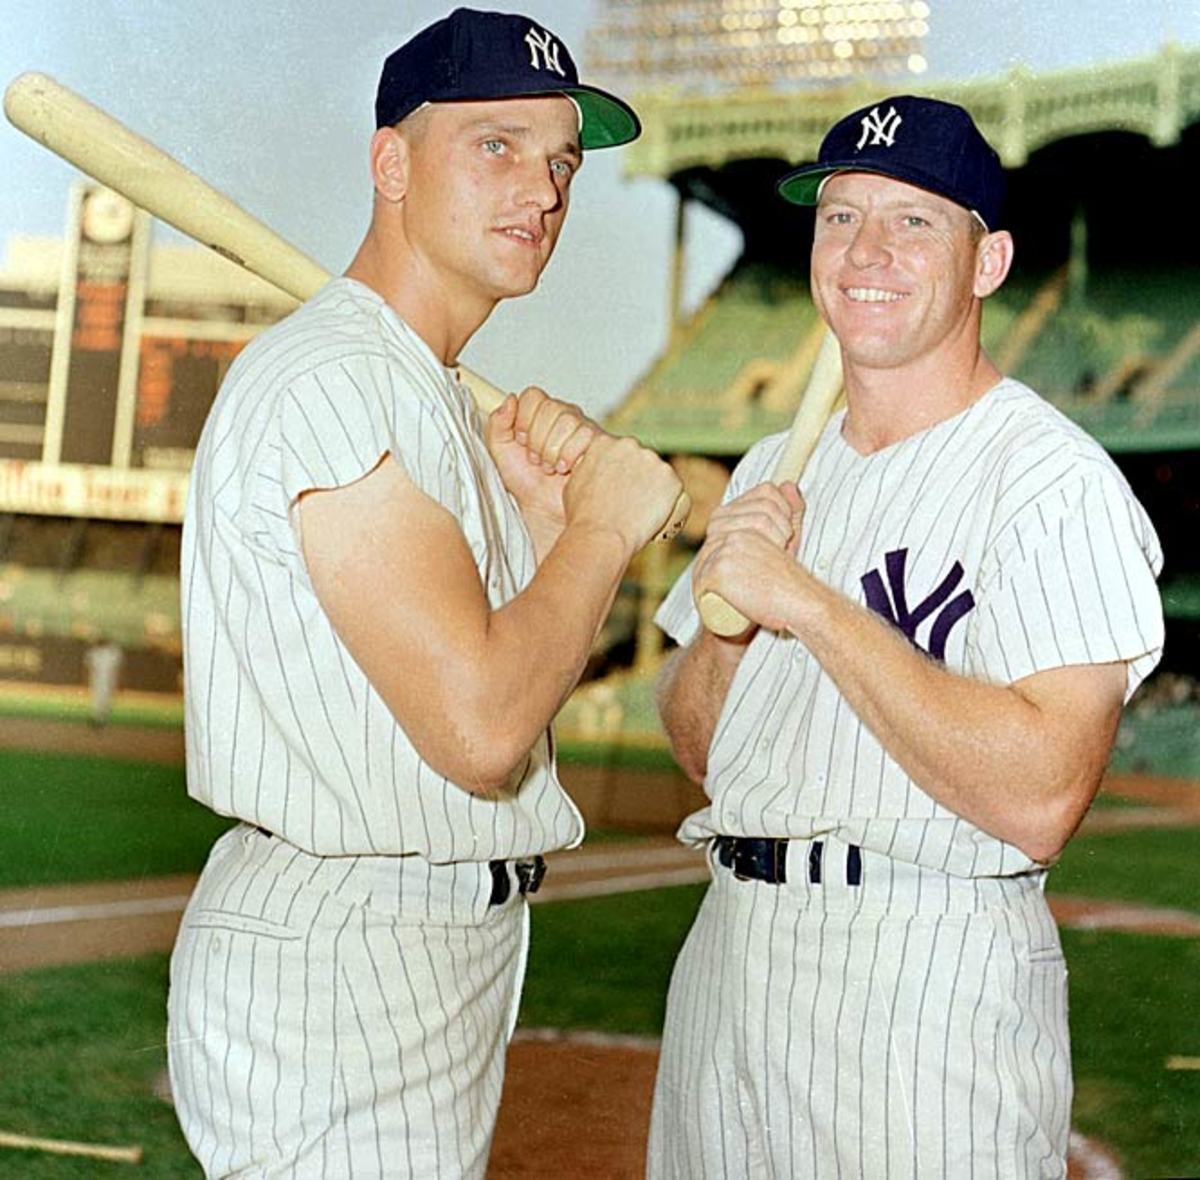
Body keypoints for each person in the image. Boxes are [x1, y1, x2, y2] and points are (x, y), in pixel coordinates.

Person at [166, 9, 683, 1178]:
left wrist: (546, 529)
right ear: (391, 162)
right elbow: (481, 725)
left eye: (562, 162)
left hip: (430, 937)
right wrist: (603, 526)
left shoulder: (425, 395)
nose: (543, 191)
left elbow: (494, 678)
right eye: (495, 146)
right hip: (347, 947)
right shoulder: (340, 378)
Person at [647, 95, 1163, 1179]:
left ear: (990, 262)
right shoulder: (770, 471)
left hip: (922, 967)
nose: (866, 250)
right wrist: (730, 634)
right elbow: (701, 752)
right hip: (729, 952)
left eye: (915, 221)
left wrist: (812, 605)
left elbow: (1039, 798)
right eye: (840, 218)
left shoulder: (1050, 483)